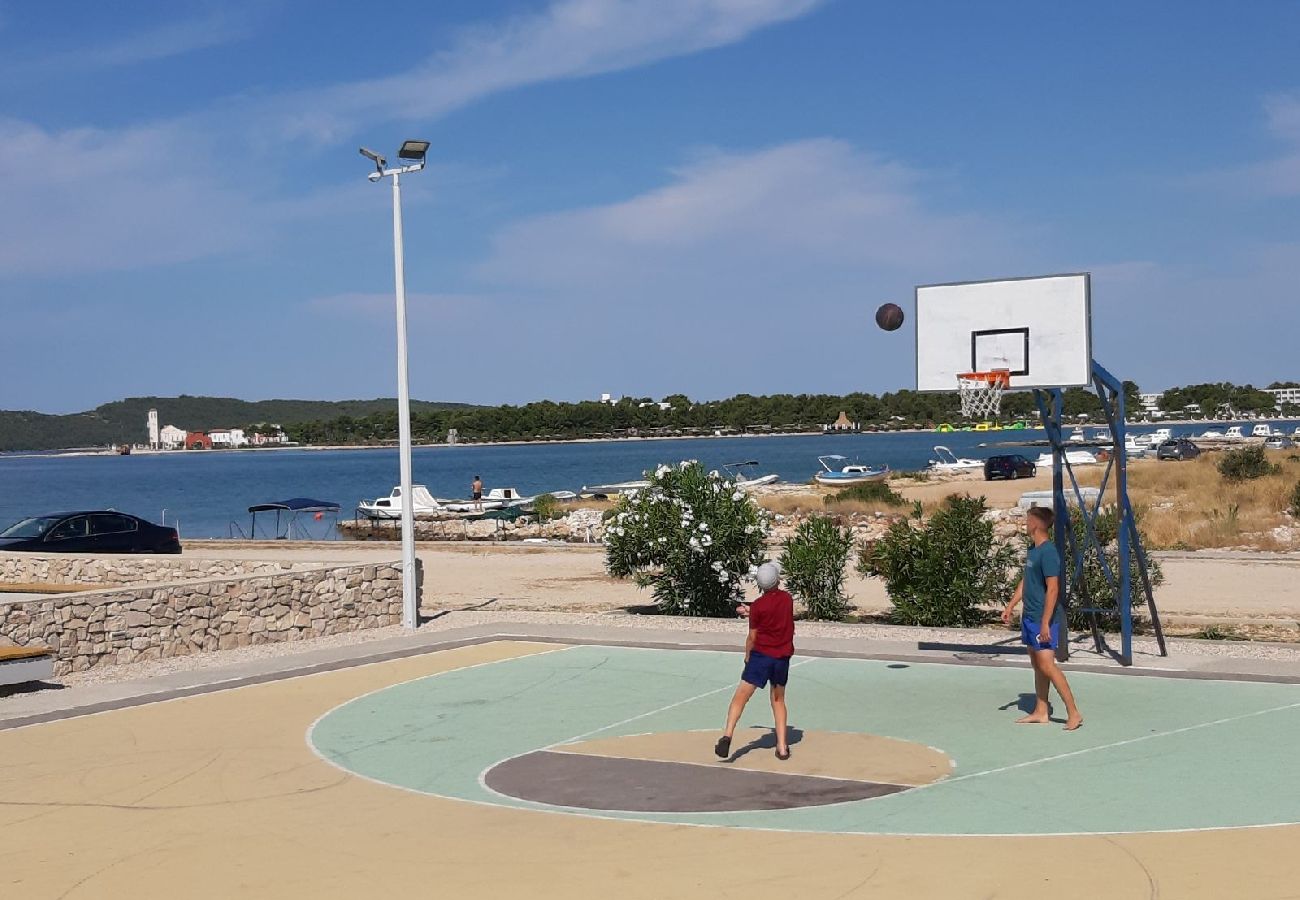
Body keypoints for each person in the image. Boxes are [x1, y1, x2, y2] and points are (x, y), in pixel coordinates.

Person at [1002, 506, 1083, 731]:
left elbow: (1054, 589)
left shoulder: (1048, 552)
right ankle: (1041, 711)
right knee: (1037, 666)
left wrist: (1046, 622)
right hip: (1029, 617)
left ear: (1036, 524)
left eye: (1028, 520)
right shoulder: (1033, 550)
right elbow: (1026, 580)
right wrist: (1011, 605)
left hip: (1042, 619)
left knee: (1048, 665)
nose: (1025, 523)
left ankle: (1074, 713)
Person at [715, 562, 795, 761]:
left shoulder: (758, 606)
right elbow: (774, 612)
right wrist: (754, 612)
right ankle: (782, 747)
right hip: (781, 658)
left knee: (740, 698)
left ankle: (727, 735)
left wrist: (747, 656)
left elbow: (752, 636)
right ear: (777, 580)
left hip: (761, 657)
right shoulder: (787, 599)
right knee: (778, 701)